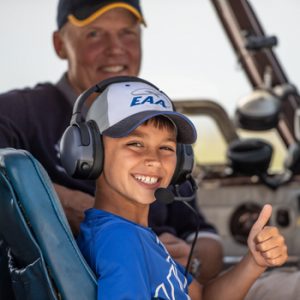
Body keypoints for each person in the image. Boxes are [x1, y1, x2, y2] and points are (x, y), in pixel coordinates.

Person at [0, 0, 222, 292]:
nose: (115, 49)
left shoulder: (159, 125)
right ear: (59, 44)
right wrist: (72, 210)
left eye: (127, 33)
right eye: (94, 34)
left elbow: (208, 240)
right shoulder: (23, 110)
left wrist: (186, 261)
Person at [75, 76, 288, 299]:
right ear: (91, 154)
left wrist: (254, 262)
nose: (155, 160)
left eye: (166, 147)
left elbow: (202, 296)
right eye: (135, 144)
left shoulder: (139, 236)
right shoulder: (120, 242)